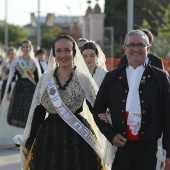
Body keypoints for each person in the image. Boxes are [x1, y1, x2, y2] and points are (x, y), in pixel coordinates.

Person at [21, 35, 115, 170]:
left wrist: (111, 132)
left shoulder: (83, 78)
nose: (63, 55)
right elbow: (39, 112)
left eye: (67, 50)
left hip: (78, 138)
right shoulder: (46, 79)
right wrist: (30, 142)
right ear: (53, 54)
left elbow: (95, 109)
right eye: (58, 51)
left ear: (74, 52)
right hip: (49, 137)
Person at [93, 29, 170, 170]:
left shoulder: (160, 77)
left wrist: (168, 154)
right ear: (125, 48)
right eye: (131, 45)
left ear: (148, 48)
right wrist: (111, 135)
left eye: (141, 45)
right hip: (120, 148)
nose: (136, 49)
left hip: (148, 150)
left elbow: (168, 117)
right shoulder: (112, 77)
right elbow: (98, 109)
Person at [0, 40, 41, 140]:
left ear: (30, 48)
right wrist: (9, 91)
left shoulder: (34, 62)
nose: (26, 48)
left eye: (27, 47)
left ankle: (28, 136)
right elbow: (12, 77)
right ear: (21, 48)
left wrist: (40, 91)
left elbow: (37, 78)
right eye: (24, 47)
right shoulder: (17, 61)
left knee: (29, 113)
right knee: (18, 113)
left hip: (31, 90)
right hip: (19, 90)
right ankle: (18, 137)